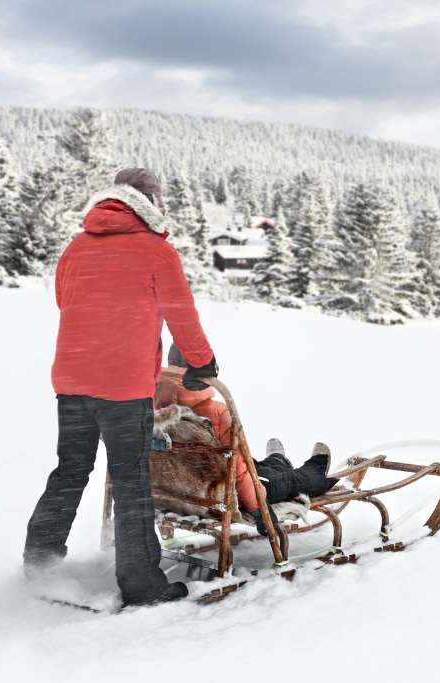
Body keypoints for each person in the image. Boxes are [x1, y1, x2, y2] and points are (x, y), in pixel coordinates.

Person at [24, 168, 219, 607]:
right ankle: (141, 584)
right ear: (149, 201)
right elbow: (181, 314)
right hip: (124, 387)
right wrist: (202, 362)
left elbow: (66, 300)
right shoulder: (155, 251)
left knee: (70, 471)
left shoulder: (76, 247)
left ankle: (39, 563)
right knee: (131, 478)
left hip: (72, 380)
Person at [156, 345, 338, 531]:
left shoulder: (153, 410)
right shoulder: (216, 412)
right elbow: (240, 468)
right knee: (288, 481)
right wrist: (259, 509)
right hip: (220, 495)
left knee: (259, 469)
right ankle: (316, 469)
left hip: (179, 493)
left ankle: (277, 460)